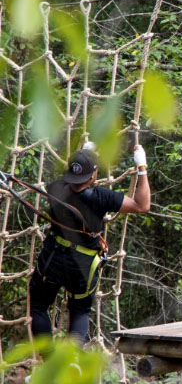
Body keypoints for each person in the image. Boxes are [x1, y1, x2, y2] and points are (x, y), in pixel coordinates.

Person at [29, 144, 151, 344]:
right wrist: (142, 168)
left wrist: (83, 154)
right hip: (83, 265)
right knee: (80, 310)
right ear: (93, 176)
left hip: (53, 259)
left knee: (38, 306)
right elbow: (142, 205)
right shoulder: (102, 197)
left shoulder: (55, 188)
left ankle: (49, 362)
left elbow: (72, 180)